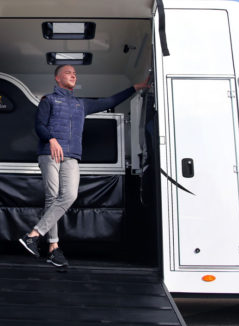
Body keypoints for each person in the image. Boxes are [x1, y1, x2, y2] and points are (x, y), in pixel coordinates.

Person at [19, 64, 150, 267]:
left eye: (74, 73)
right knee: (52, 197)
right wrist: (51, 139)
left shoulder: (82, 104)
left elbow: (111, 101)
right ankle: (54, 248)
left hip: (71, 156)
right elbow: (39, 125)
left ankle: (34, 235)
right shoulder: (48, 100)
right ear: (57, 79)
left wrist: (135, 87)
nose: (73, 75)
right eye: (68, 72)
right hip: (50, 153)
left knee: (69, 195)